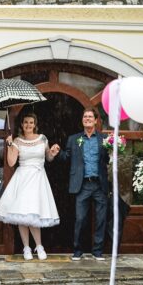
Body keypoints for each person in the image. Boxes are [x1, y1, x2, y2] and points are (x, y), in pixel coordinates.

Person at [0, 113, 60, 260]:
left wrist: (53, 153)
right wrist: (9, 145)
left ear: (35, 124)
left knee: (34, 213)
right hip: (22, 178)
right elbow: (11, 162)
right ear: (22, 125)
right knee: (22, 214)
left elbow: (48, 157)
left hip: (38, 178)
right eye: (25, 123)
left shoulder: (42, 138)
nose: (28, 125)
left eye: (31, 122)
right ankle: (26, 248)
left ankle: (39, 246)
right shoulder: (17, 140)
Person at [57, 108, 108, 261]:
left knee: (101, 219)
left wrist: (116, 150)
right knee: (80, 219)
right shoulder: (74, 139)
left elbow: (109, 159)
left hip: (99, 184)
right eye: (85, 116)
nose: (87, 119)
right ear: (82, 120)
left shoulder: (104, 139)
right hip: (82, 184)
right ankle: (77, 250)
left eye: (90, 117)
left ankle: (98, 251)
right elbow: (67, 157)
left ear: (96, 120)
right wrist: (57, 153)